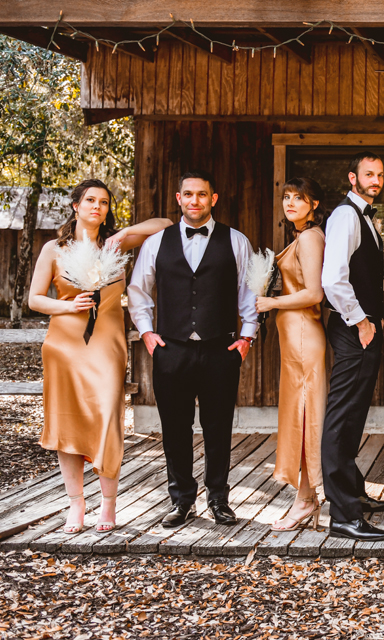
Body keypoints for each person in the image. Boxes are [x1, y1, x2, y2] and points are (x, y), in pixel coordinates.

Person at [29, 180, 172, 534]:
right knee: (67, 422)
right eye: (90, 200)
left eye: (104, 202)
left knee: (108, 418)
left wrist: (121, 235)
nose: (97, 206)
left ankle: (108, 504)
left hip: (107, 344)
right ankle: (76, 504)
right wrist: (66, 305)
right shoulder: (53, 249)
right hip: (64, 345)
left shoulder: (116, 247)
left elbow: (166, 225)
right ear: (75, 206)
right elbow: (34, 300)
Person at [127, 170, 259, 530]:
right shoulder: (157, 242)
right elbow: (138, 290)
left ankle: (219, 499)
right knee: (175, 429)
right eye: (189, 194)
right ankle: (181, 499)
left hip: (221, 349)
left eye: (202, 194)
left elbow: (249, 293)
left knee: (218, 427)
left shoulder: (236, 241)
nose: (195, 200)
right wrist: (148, 334)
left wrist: (247, 337)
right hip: (171, 350)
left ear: (213, 199)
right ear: (178, 198)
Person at [320, 151, 384, 541]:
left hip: (364, 328)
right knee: (341, 418)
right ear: (353, 178)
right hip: (354, 331)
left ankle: (354, 493)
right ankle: (342, 515)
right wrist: (361, 320)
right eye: (369, 174)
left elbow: (361, 274)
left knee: (355, 414)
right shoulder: (346, 215)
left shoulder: (366, 216)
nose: (376, 179)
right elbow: (333, 279)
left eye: (380, 174)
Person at [256, 177, 328, 532]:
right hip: (293, 337)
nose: (290, 203)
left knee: (304, 416)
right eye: (286, 197)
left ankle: (305, 500)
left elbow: (314, 293)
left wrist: (273, 302)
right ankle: (307, 497)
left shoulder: (312, 238)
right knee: (298, 415)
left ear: (313, 205)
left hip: (303, 334)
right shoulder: (300, 238)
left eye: (298, 198)